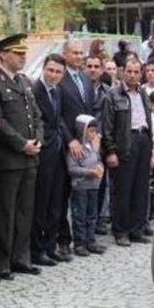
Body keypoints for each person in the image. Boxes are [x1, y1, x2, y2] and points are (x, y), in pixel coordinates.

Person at [0, 34, 44, 277]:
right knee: (4, 213)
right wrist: (22, 144)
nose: (23, 57)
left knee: (25, 211)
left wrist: (37, 140)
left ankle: (21, 258)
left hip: (30, 156)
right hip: (8, 159)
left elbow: (36, 115)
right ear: (4, 55)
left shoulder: (24, 82)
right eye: (18, 54)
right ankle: (2, 263)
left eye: (24, 54)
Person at [101, 58, 153, 247]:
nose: (132, 75)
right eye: (129, 71)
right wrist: (111, 151)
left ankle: (136, 229)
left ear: (141, 73)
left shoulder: (144, 93)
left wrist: (150, 145)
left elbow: (148, 120)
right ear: (123, 72)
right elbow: (106, 127)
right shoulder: (113, 95)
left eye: (136, 72)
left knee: (141, 188)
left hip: (143, 139)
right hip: (124, 142)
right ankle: (121, 230)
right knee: (122, 189)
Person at [56, 40, 96, 260]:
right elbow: (58, 114)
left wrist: (92, 138)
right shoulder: (60, 78)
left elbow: (89, 111)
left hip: (86, 145)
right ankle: (63, 240)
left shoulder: (85, 79)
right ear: (65, 54)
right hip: (66, 144)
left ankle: (86, 239)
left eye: (82, 53)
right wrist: (70, 139)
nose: (79, 56)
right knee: (63, 195)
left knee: (86, 193)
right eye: (75, 53)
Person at [30, 54, 70, 267]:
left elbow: (58, 121)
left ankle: (49, 245)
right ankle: (36, 249)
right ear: (43, 68)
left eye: (58, 72)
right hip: (43, 153)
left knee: (56, 202)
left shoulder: (58, 92)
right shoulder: (35, 91)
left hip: (57, 152)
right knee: (41, 203)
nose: (53, 75)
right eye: (50, 70)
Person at [66, 115, 107, 257]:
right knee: (80, 215)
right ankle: (80, 243)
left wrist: (100, 168)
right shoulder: (76, 148)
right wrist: (88, 172)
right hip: (81, 186)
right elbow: (72, 169)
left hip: (94, 186)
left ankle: (91, 241)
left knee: (92, 215)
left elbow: (98, 160)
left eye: (95, 131)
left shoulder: (93, 147)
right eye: (90, 131)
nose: (93, 134)